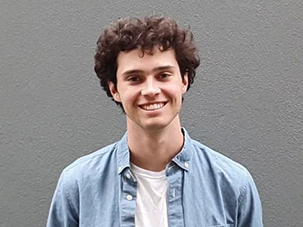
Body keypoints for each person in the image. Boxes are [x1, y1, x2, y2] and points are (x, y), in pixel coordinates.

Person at [47, 15, 263, 227]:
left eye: (163, 75)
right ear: (114, 89)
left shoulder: (234, 186)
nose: (150, 90)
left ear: (184, 80)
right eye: (134, 79)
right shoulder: (78, 186)